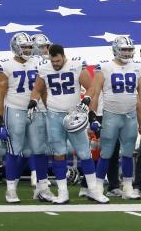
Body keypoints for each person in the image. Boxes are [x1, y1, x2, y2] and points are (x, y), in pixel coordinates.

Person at [31, 43, 108, 203]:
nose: (56, 64)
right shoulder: (44, 68)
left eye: (58, 61)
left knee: (84, 152)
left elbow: (92, 86)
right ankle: (63, 192)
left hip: (74, 115)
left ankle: (93, 190)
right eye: (53, 62)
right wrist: (33, 101)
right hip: (53, 115)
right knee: (58, 153)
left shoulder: (76, 65)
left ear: (63, 56)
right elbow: (38, 89)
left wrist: (87, 98)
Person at [90, 36, 141, 199]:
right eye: (124, 49)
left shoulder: (137, 66)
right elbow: (95, 94)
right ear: (116, 49)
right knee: (106, 152)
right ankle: (98, 188)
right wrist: (92, 115)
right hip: (111, 115)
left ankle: (128, 188)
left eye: (130, 49)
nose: (127, 52)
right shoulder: (104, 67)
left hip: (129, 116)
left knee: (128, 153)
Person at [0, 33, 52, 203]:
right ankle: (11, 190)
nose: (27, 49)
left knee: (40, 150)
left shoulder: (39, 62)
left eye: (29, 46)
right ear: (15, 47)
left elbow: (43, 90)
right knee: (15, 150)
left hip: (36, 111)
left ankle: (42, 188)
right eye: (24, 47)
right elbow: (0, 93)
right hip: (15, 110)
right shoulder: (5, 65)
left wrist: (49, 110)